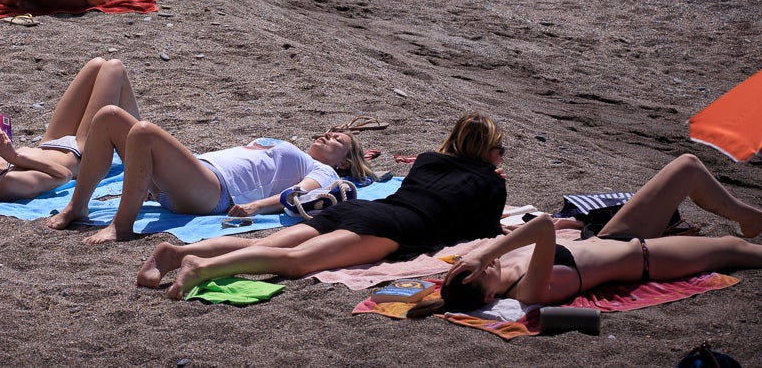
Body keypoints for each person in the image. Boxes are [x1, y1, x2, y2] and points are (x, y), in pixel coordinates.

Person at [138, 113, 508, 298]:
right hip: (394, 227)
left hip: (359, 210)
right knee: (298, 262)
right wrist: (494, 187)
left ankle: (175, 253)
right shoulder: (489, 182)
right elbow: (479, 231)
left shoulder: (429, 159)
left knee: (263, 245)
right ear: (488, 150)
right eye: (500, 149)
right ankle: (202, 267)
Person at [424, 153, 762, 314]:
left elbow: (541, 226)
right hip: (646, 258)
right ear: (488, 298)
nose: (484, 264)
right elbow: (542, 226)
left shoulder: (500, 264)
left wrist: (477, 258)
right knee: (737, 250)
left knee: (687, 166)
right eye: (482, 273)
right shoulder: (526, 292)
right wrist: (484, 255)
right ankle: (750, 229)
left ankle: (751, 217)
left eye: (475, 266)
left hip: (609, 236)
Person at [45, 111, 378, 245]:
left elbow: (298, 196)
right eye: (328, 132)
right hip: (197, 176)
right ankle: (78, 206)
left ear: (347, 162)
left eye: (338, 140)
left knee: (144, 132)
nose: (327, 136)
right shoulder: (302, 153)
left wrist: (255, 207)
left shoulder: (323, 171)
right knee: (107, 117)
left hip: (216, 192)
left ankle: (122, 225)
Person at [0, 57, 142, 222]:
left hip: (51, 141)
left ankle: (136, 142)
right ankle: (139, 153)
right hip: (80, 151)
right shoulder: (9, 186)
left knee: (96, 65)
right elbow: (62, 176)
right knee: (114, 68)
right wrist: (15, 156)